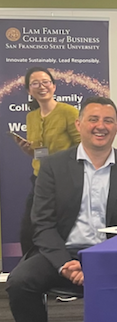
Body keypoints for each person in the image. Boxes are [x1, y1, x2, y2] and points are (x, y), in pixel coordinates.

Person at [6, 96, 117, 322]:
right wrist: (66, 264)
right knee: (19, 283)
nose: (100, 126)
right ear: (79, 124)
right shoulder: (53, 166)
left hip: (110, 251)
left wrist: (99, 261)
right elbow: (43, 225)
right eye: (93, 119)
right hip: (60, 250)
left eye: (108, 120)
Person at [11, 67, 81, 258]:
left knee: (59, 229)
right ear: (29, 90)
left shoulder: (69, 112)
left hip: (64, 182)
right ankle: (31, 271)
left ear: (54, 86)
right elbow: (39, 151)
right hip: (39, 180)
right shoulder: (31, 116)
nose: (41, 87)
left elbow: (83, 147)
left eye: (45, 82)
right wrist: (29, 151)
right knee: (28, 230)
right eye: (35, 83)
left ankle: (62, 269)